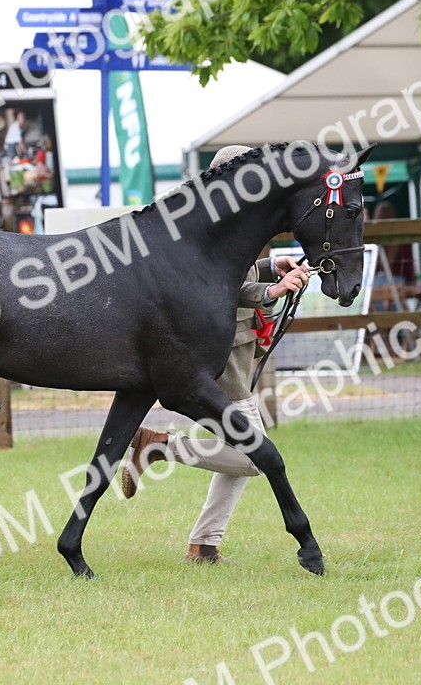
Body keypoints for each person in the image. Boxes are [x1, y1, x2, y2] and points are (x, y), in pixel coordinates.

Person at [120, 145, 311, 564]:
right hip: (220, 352)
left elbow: (233, 273)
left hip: (234, 348)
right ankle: (160, 447)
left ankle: (204, 544)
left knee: (247, 454)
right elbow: (216, 288)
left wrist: (269, 266)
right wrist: (272, 291)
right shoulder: (213, 221)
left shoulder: (223, 217)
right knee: (255, 458)